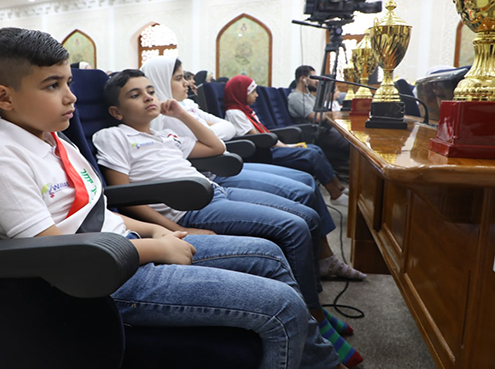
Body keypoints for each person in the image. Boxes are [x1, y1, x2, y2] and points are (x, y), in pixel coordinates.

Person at [0, 27, 350, 369]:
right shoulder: (0, 157)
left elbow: (97, 212)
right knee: (282, 306)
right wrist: (154, 249)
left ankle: (318, 355)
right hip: (99, 277)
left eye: (68, 83)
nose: (71, 97)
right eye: (53, 86)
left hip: (126, 248)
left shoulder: (57, 141)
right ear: (5, 97)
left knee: (269, 254)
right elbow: (53, 251)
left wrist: (157, 232)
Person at [93, 69, 363, 367]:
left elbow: (216, 147)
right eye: (135, 95)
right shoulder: (114, 135)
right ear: (116, 112)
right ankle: (314, 315)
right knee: (294, 226)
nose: (147, 97)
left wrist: (182, 114)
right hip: (190, 205)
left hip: (215, 191)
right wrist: (176, 228)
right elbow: (123, 195)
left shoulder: (163, 134)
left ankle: (310, 312)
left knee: (306, 214)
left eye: (150, 91)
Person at [141, 56, 365, 281]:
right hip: (215, 173)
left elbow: (226, 130)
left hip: (218, 170)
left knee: (306, 182)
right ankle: (320, 263)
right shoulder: (165, 120)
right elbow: (216, 140)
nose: (187, 84)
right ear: (161, 81)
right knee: (300, 198)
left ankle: (323, 258)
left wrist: (208, 133)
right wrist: (209, 133)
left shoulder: (184, 108)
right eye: (179, 78)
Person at [223, 75, 349, 206]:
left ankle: (339, 187)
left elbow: (264, 134)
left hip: (268, 147)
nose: (257, 95)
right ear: (241, 93)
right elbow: (259, 138)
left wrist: (288, 145)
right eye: (253, 92)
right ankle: (335, 195)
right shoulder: (234, 113)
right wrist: (286, 147)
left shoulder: (245, 111)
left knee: (315, 149)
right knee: (311, 154)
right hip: (262, 154)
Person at [288, 65, 350, 170]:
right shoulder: (296, 97)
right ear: (303, 79)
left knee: (350, 136)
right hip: (313, 132)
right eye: (313, 77)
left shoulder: (309, 96)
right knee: (349, 142)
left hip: (324, 128)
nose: (317, 81)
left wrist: (330, 114)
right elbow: (315, 117)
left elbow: (323, 113)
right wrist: (333, 114)